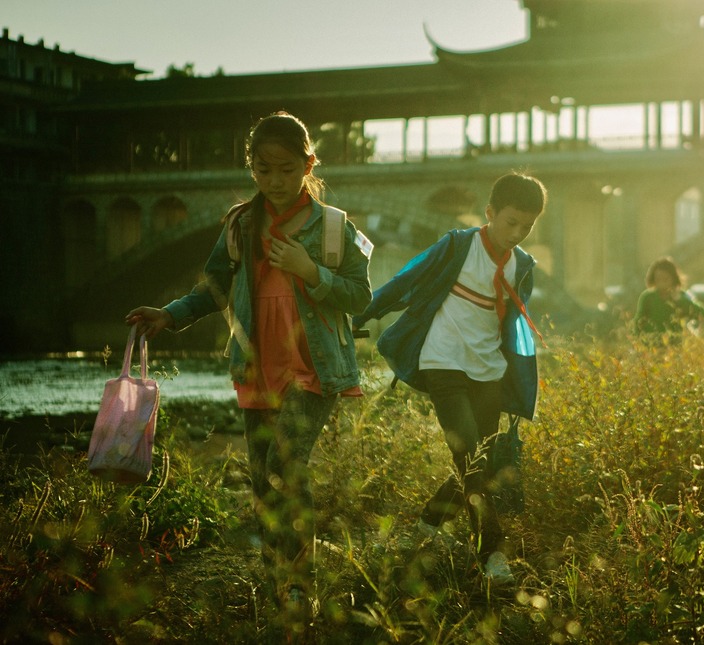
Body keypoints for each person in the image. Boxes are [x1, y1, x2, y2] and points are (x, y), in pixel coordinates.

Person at [125, 112, 372, 611]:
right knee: (263, 479)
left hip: (313, 368)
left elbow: (360, 297)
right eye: (263, 170)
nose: (275, 182)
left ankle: (301, 582)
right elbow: (214, 286)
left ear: (309, 164)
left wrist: (311, 272)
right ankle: (279, 573)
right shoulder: (241, 223)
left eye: (286, 169)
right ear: (251, 168)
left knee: (286, 465)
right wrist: (170, 315)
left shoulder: (333, 227)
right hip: (257, 368)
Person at [353, 172, 547, 585]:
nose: (517, 233)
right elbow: (408, 278)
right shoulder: (459, 245)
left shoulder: (523, 265)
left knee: (483, 462)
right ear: (490, 212)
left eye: (527, 226)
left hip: (488, 370)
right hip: (442, 361)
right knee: (469, 456)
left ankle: (427, 525)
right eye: (511, 222)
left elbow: (512, 327)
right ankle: (492, 554)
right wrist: (364, 313)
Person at [633, 256, 704, 342]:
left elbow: (701, 313)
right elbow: (638, 322)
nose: (661, 283)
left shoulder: (682, 296)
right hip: (652, 345)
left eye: (665, 279)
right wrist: (640, 341)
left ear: (673, 279)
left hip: (675, 347)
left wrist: (679, 300)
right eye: (658, 279)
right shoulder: (647, 297)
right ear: (653, 279)